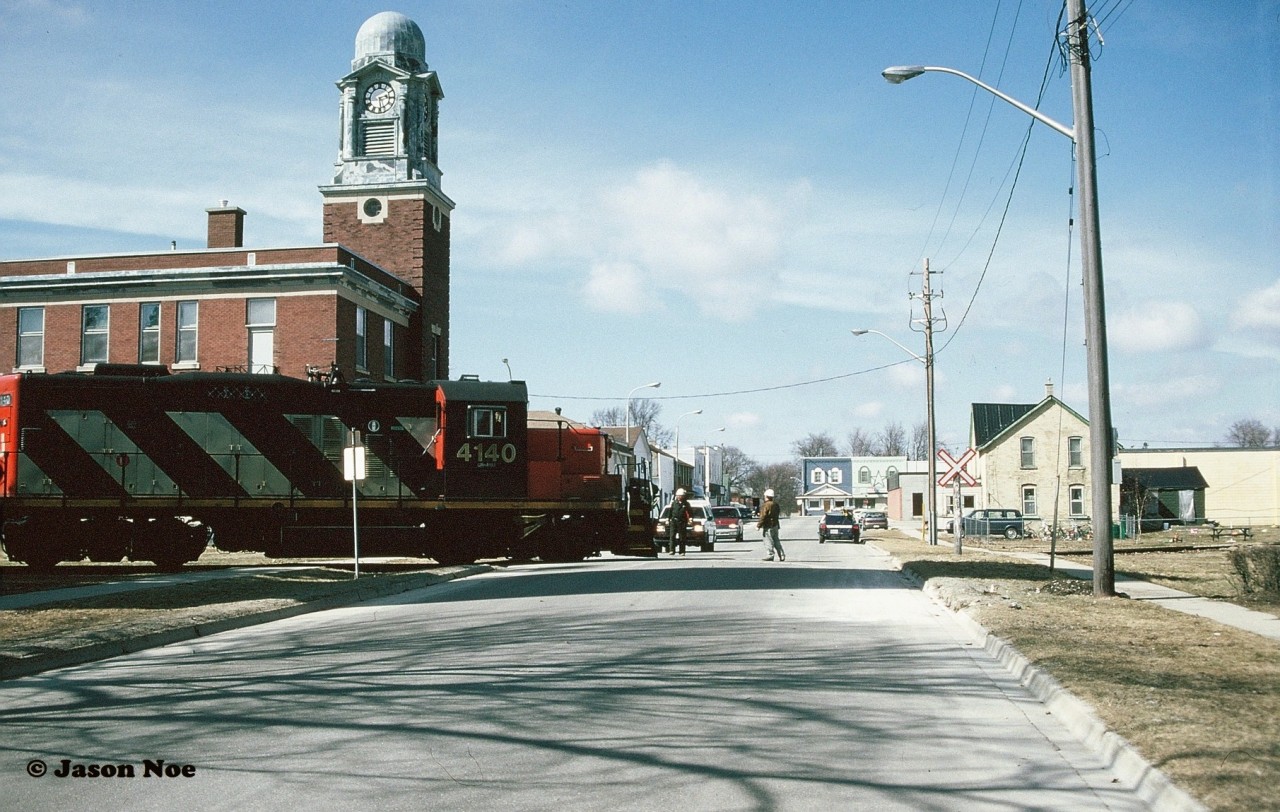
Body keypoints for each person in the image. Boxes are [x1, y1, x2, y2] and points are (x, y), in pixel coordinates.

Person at [757, 488, 784, 561]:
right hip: (775, 525)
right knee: (776, 540)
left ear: (766, 496)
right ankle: (781, 554)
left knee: (768, 540)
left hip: (768, 525)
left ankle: (770, 555)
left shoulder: (766, 505)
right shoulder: (776, 505)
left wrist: (758, 525)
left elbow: (763, 516)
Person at [668, 488, 692, 556]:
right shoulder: (674, 503)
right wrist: (668, 519)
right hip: (674, 521)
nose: (680, 497)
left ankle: (682, 551)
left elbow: (690, 512)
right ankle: (672, 550)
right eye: (679, 495)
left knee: (682, 537)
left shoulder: (686, 504)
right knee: (672, 536)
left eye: (681, 495)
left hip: (682, 522)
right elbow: (670, 512)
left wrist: (690, 519)